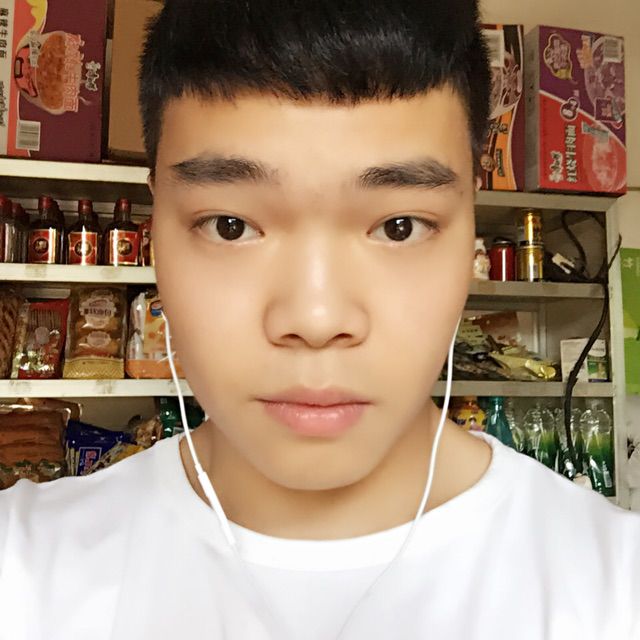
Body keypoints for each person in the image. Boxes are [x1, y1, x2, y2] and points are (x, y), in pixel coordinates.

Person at [1, 1, 639, 638]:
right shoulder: (25, 570)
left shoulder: (613, 589)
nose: (315, 318)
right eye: (231, 226)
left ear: (469, 225)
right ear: (154, 230)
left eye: (399, 226)